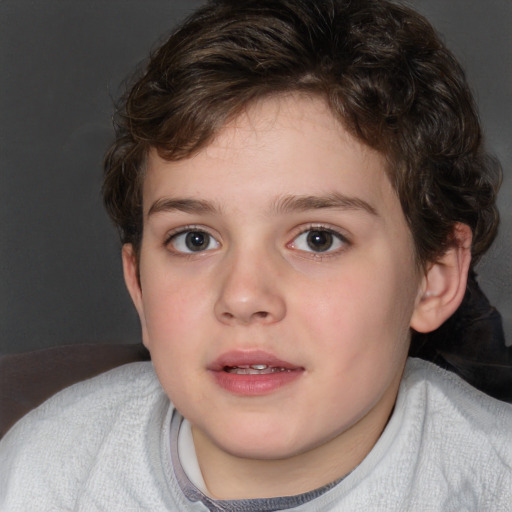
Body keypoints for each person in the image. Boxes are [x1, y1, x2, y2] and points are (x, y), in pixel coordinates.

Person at [1, 0, 511, 510]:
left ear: (436, 277)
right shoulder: (47, 470)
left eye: (318, 239)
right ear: (139, 288)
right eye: (194, 239)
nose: (243, 297)